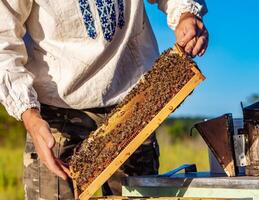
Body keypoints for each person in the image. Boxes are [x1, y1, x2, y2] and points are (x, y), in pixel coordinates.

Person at [0, 0, 208, 199]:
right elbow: (3, 40)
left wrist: (185, 14)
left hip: (133, 104)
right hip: (58, 114)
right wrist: (29, 115)